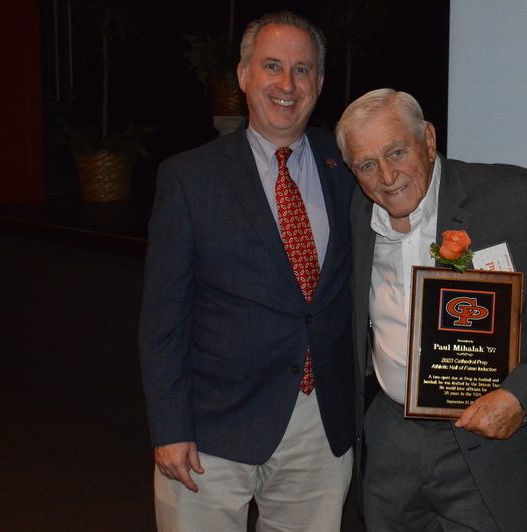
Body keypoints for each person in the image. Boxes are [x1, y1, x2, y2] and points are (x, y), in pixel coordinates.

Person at [335, 88, 527, 531]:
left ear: (428, 139)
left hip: (492, 447)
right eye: (366, 164)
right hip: (392, 445)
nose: (386, 175)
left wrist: (522, 397)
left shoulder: (512, 198)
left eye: (396, 152)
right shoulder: (356, 215)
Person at [139, 11, 355, 531]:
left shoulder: (349, 165)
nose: (287, 84)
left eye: (302, 69)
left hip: (320, 423)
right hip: (211, 429)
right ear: (242, 74)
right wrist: (169, 428)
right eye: (272, 66)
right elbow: (163, 319)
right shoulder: (189, 177)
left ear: (320, 81)